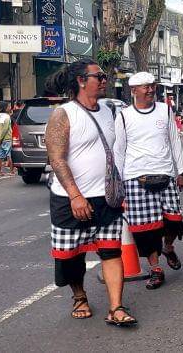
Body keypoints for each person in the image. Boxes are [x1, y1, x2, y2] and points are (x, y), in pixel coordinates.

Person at [43, 59, 135, 326]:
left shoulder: (108, 111)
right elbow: (57, 159)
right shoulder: (64, 114)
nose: (105, 80)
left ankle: (116, 307)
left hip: (106, 197)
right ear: (82, 81)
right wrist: (75, 195)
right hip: (70, 199)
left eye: (105, 76)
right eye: (100, 76)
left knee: (111, 251)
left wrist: (122, 190)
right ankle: (80, 295)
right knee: (71, 257)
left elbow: (116, 152)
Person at [113, 72, 183, 290]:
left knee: (174, 220)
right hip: (135, 178)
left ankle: (168, 247)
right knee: (145, 230)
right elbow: (119, 151)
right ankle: (155, 269)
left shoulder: (165, 110)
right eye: (145, 87)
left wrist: (181, 171)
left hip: (165, 174)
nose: (150, 90)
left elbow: (174, 141)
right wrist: (119, 183)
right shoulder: (124, 116)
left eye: (152, 86)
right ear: (133, 90)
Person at [0, 101, 15, 176]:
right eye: (8, 106)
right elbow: (5, 129)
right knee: (9, 155)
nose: (9, 108)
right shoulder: (7, 117)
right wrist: (0, 139)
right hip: (6, 139)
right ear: (5, 108)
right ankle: (11, 171)